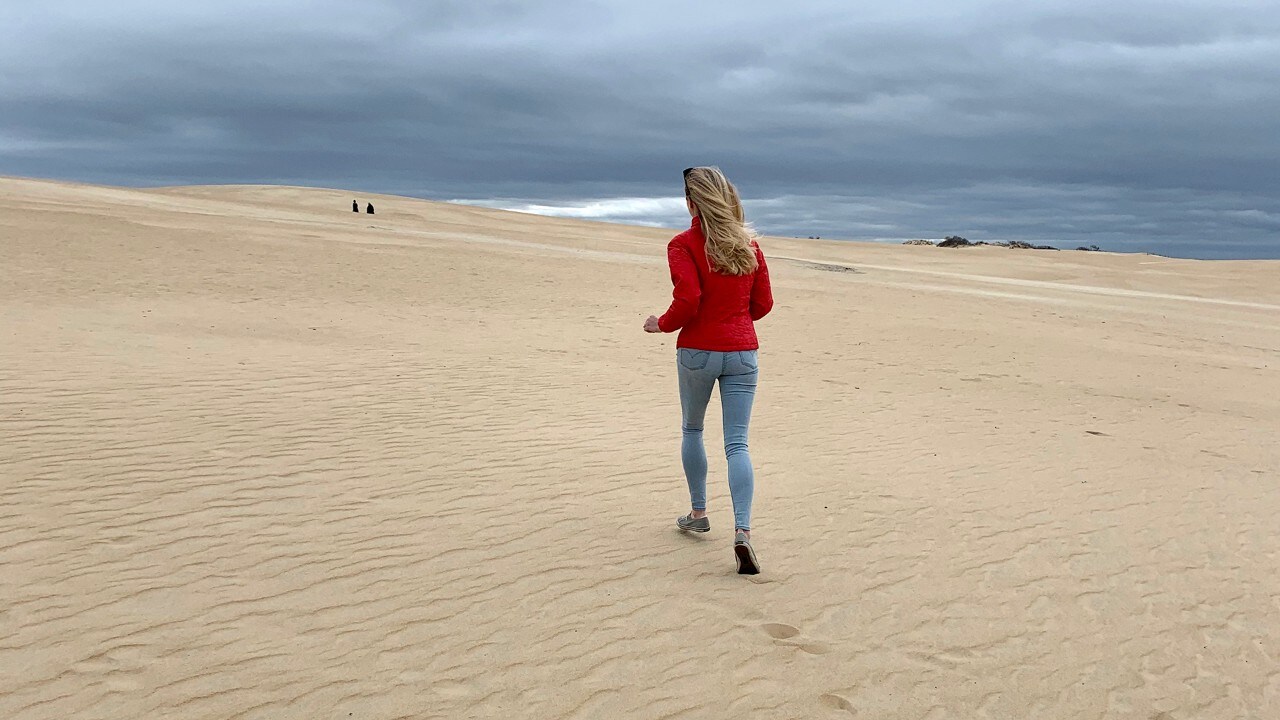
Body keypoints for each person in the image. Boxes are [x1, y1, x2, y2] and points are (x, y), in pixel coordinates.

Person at [644, 166, 773, 574]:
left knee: (692, 430)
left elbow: (689, 301)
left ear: (690, 202)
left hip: (698, 350)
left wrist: (659, 324)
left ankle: (699, 512)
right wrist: (735, 316)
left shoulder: (683, 243)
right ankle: (743, 532)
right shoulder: (748, 244)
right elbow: (762, 305)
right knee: (737, 444)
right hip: (742, 352)